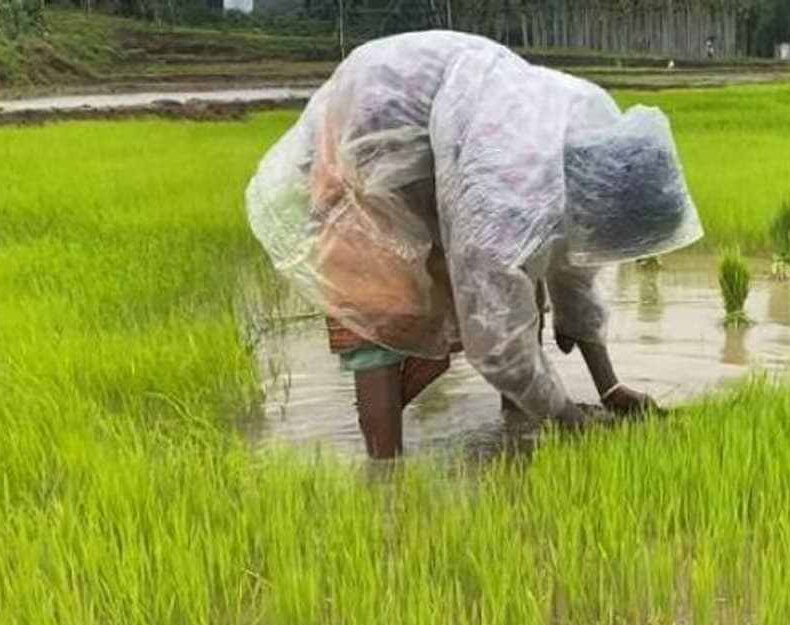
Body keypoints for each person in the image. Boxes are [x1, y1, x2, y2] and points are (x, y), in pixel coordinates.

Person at [246, 31, 703, 459]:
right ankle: (387, 484)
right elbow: (497, 341)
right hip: (370, 126)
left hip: (448, 125)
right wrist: (568, 419)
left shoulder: (596, 141)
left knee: (524, 277)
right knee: (382, 303)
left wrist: (609, 390)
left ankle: (517, 430)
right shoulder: (512, 182)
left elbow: (574, 274)